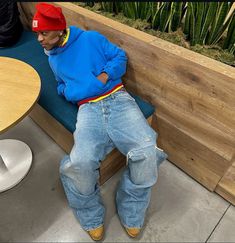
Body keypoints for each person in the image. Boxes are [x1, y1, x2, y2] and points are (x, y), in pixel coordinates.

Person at [32, 3, 167, 241]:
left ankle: (132, 209)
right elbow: (61, 84)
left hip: (118, 100)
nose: (39, 39)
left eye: (43, 33)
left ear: (58, 29)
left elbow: (119, 56)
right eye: (37, 34)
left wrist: (103, 76)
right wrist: (70, 92)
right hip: (87, 110)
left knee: (147, 151)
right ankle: (90, 215)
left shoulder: (91, 39)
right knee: (80, 163)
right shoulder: (52, 57)